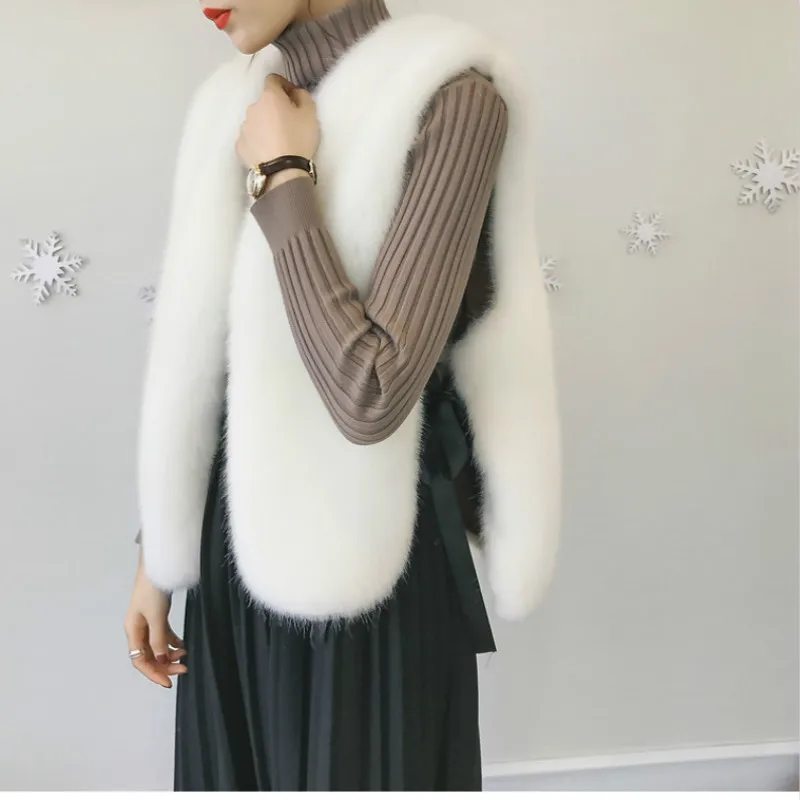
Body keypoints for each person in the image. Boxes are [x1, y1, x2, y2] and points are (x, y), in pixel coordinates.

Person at [124, 0, 561, 790]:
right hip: (232, 555)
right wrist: (158, 551)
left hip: (369, 558)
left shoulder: (451, 100)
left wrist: (283, 177)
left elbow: (373, 394)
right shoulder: (234, 102)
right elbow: (207, 358)